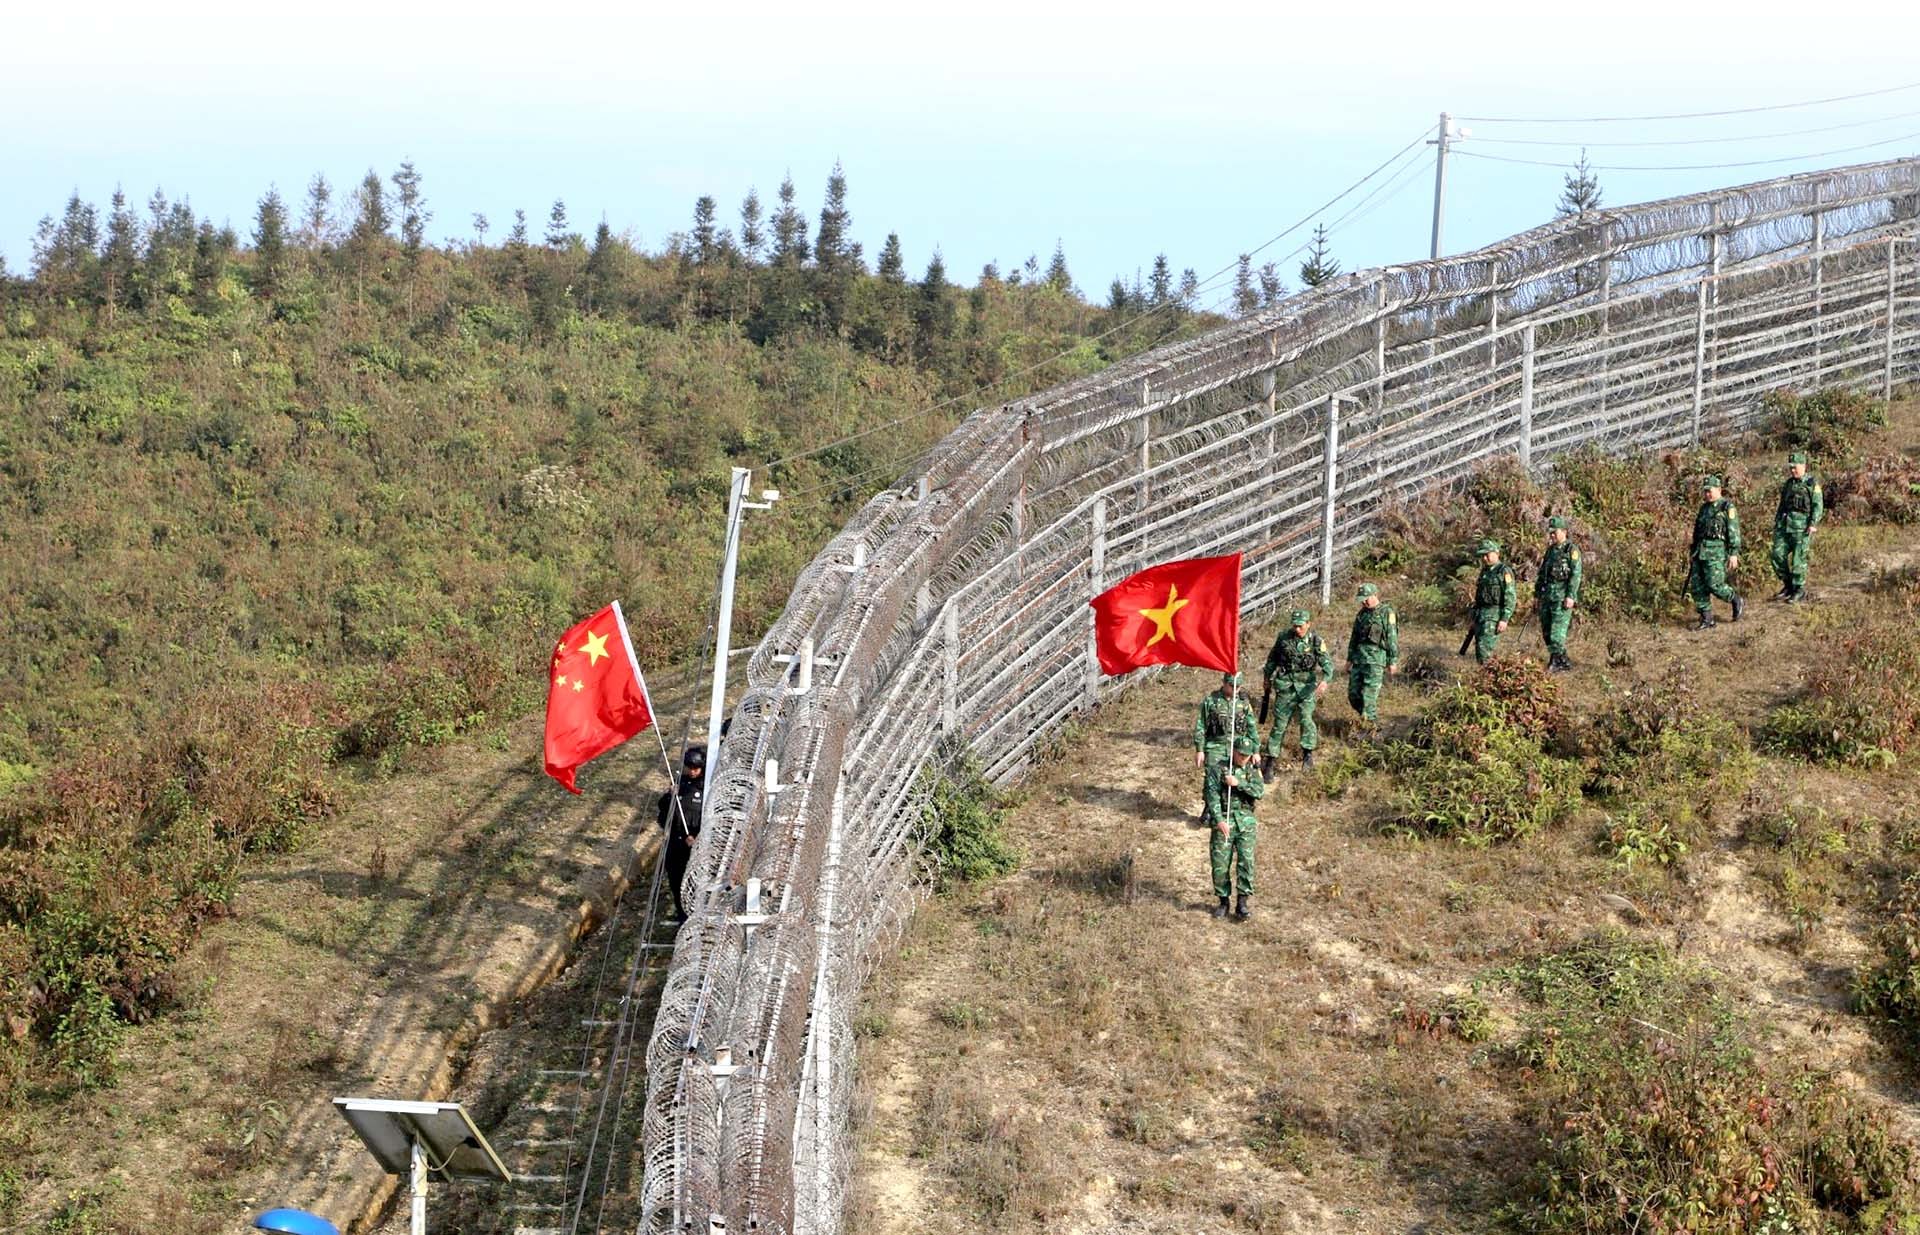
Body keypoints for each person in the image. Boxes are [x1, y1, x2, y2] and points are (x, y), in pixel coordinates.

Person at [1262, 608, 1332, 773]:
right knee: (1279, 724)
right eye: (1295, 626)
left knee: (1306, 719)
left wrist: (1325, 681)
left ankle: (1308, 755)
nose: (1297, 629)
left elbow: (1327, 664)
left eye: (1301, 626)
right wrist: (1266, 678)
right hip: (1285, 686)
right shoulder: (1283, 638)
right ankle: (1271, 760)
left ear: (1308, 624)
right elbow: (1272, 658)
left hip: (1306, 688)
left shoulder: (1315, 641)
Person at [1204, 733, 1265, 920]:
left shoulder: (1251, 770)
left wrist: (1239, 784)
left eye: (1246, 755)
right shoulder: (1218, 769)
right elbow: (1211, 795)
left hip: (1245, 820)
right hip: (1225, 818)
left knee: (1246, 861)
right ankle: (1223, 901)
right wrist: (1219, 820)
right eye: (1240, 755)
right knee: (1220, 863)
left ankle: (1243, 902)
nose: (1243, 758)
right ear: (1233, 751)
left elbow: (1259, 791)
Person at [1191, 671, 1256, 829]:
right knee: (1212, 777)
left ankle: (1232, 809)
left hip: (1237, 746)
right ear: (1224, 683)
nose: (1235, 689)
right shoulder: (1211, 701)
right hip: (1216, 745)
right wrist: (1199, 749)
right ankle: (1209, 808)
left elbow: (1252, 727)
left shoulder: (1243, 703)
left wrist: (1256, 750)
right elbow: (1201, 726)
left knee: (1235, 777)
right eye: (1232, 686)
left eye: (1238, 686)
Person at [656, 745, 706, 920]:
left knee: (697, 882)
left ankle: (698, 914)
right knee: (676, 881)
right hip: (676, 844)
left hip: (696, 844)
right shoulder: (679, 785)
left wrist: (699, 836)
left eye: (696, 768)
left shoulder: (706, 788)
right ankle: (682, 915)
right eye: (690, 768)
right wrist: (670, 795)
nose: (692, 772)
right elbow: (663, 813)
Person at [1688, 476, 1744, 630]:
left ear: (1719, 490)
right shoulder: (1704, 508)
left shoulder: (1727, 507)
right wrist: (1693, 551)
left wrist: (1733, 553)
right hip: (1700, 551)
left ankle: (1735, 599)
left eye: (1710, 491)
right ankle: (1707, 619)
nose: (1707, 494)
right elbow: (1697, 531)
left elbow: (1734, 532)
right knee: (1698, 586)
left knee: (1715, 584)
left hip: (1716, 551)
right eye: (1705, 491)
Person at [1769, 452, 1824, 603]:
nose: (1793, 470)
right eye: (1791, 467)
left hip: (1802, 528)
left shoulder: (1811, 484)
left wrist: (1813, 524)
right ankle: (1788, 586)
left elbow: (1818, 505)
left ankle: (1799, 589)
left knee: (1798, 561)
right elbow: (1782, 505)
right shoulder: (1789, 484)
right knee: (1777, 554)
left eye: (1796, 467)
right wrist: (1777, 522)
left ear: (1804, 466)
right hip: (1785, 526)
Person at [1345, 583, 1399, 727]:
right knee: (1353, 695)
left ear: (1375, 595)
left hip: (1376, 660)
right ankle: (1367, 718)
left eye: (1366, 598)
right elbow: (1354, 638)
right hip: (1359, 659)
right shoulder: (1361, 614)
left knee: (1369, 696)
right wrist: (1349, 659)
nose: (1364, 602)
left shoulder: (1386, 612)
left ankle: (1370, 727)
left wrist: (1392, 661)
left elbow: (1391, 637)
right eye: (1362, 599)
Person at [1535, 516, 1583, 672]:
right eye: (1551, 533)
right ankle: (1562, 659)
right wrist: (1537, 594)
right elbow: (1543, 573)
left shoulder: (1571, 550)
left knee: (1557, 634)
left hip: (1562, 598)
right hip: (1547, 596)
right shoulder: (1550, 551)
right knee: (1547, 632)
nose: (1552, 536)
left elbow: (1575, 575)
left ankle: (1556, 662)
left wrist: (1571, 596)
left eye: (1555, 532)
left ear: (1564, 531)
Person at [1468, 539, 1517, 663]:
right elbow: (1479, 596)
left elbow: (1510, 596)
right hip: (1481, 615)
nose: (1484, 558)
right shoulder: (1485, 572)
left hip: (1494, 615)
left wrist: (1504, 618)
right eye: (1482, 556)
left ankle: (1487, 676)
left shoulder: (1503, 571)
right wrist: (1474, 617)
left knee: (1485, 649)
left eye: (1487, 555)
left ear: (1496, 553)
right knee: (1479, 648)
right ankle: (1485, 676)